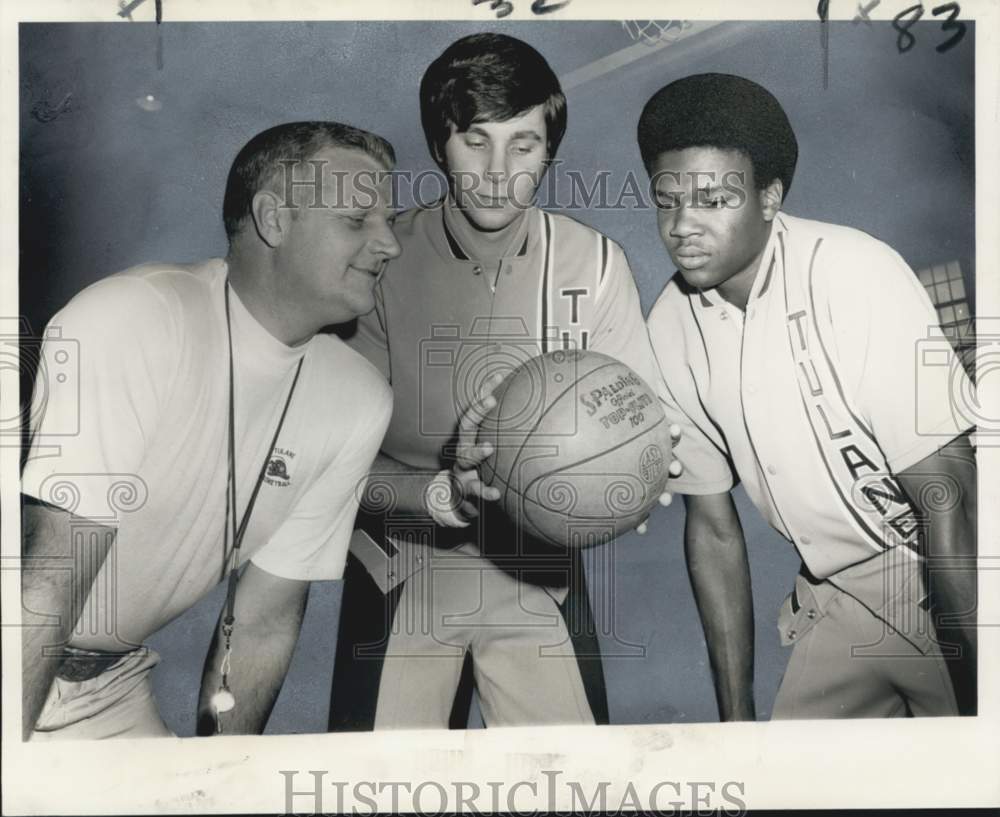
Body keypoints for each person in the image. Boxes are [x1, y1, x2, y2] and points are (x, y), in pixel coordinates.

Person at [328, 33, 674, 730]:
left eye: (524, 144)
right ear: (439, 145)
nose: (497, 169)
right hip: (401, 561)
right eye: (475, 140)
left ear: (549, 150)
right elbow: (329, 466)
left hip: (537, 561)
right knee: (380, 792)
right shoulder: (377, 259)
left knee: (574, 785)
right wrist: (441, 493)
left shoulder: (597, 263)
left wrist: (636, 472)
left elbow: (644, 426)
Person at [20, 120, 400, 739]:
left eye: (389, 220)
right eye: (358, 221)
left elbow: (265, 620)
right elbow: (49, 576)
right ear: (274, 220)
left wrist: (224, 777)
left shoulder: (359, 397)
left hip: (108, 683)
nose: (390, 244)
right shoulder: (136, 315)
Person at [639, 73, 978, 719]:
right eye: (667, 199)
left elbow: (953, 501)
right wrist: (734, 720)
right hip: (841, 595)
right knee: (779, 776)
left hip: (945, 570)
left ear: (770, 197)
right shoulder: (670, 324)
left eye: (713, 199)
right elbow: (711, 529)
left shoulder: (853, 271)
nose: (683, 224)